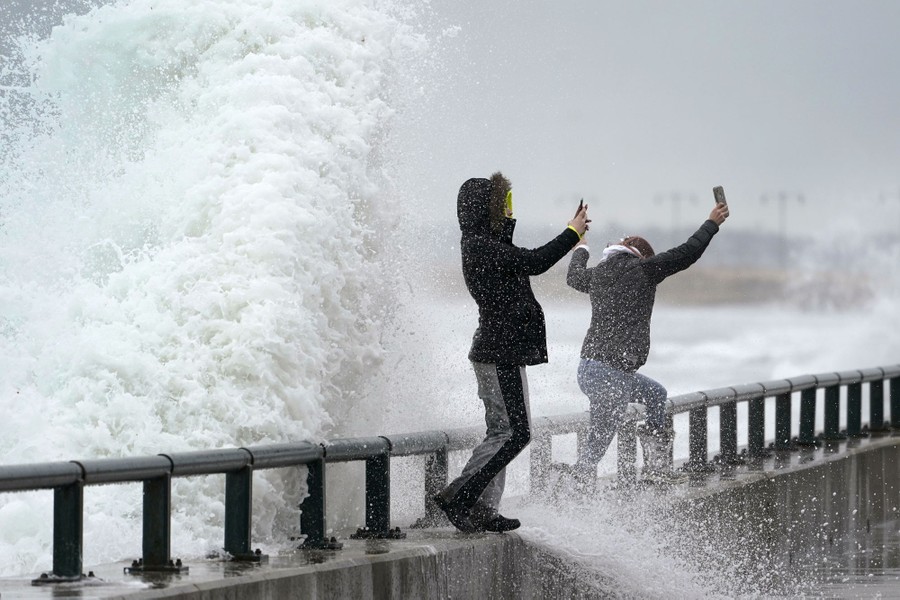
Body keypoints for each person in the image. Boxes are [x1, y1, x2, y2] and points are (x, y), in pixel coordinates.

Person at [434, 172, 589, 533]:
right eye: (502, 206)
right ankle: (460, 496)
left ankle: (483, 509)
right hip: (497, 351)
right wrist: (572, 233)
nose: (508, 212)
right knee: (512, 433)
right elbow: (535, 261)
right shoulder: (479, 245)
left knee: (505, 432)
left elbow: (520, 255)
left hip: (503, 350)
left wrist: (568, 231)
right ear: (484, 210)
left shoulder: (488, 242)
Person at [565, 200, 729, 488]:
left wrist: (580, 246)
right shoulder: (644, 270)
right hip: (611, 373)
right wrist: (711, 223)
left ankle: (653, 467)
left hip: (588, 369)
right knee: (602, 434)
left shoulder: (600, 273)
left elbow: (573, 277)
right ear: (643, 256)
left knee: (655, 394)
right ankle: (575, 481)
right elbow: (686, 253)